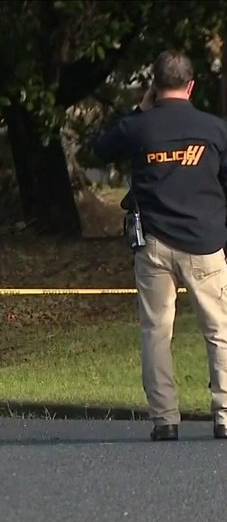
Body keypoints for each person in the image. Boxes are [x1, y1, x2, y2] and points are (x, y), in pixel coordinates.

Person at [91, 50, 227, 441]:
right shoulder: (215, 130)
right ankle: (223, 415)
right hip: (206, 243)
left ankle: (165, 419)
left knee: (156, 331)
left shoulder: (140, 127)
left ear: (154, 85)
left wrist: (139, 109)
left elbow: (100, 148)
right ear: (191, 85)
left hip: (153, 243)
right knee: (218, 329)